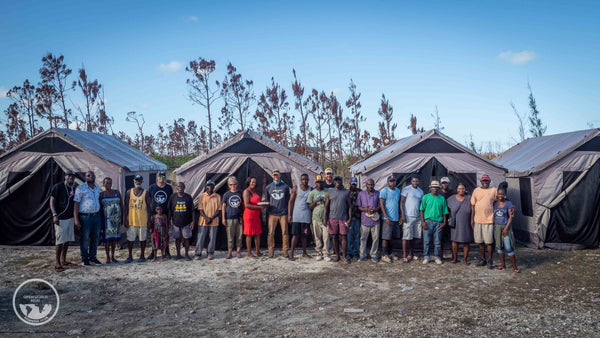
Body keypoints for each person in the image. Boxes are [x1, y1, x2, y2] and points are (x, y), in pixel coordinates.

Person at [50, 170, 78, 271]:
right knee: (60, 241)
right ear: (65, 177)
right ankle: (57, 263)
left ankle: (63, 260)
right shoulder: (58, 187)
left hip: (70, 217)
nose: (71, 178)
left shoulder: (74, 188)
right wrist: (54, 215)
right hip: (60, 218)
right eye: (69, 176)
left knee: (66, 240)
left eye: (72, 177)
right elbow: (52, 200)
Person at [73, 171, 102, 266]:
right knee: (85, 238)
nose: (91, 176)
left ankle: (93, 257)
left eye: (92, 175)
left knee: (95, 238)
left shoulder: (97, 188)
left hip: (96, 216)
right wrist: (76, 219)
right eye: (88, 175)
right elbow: (76, 204)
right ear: (85, 177)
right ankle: (85, 258)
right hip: (85, 217)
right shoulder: (80, 188)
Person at [471, 174, 497, 269]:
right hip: (477, 220)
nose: (485, 182)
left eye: (487, 181)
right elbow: (473, 205)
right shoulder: (476, 190)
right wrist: (472, 220)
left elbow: (499, 202)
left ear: (489, 182)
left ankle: (490, 260)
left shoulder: (494, 190)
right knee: (480, 242)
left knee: (489, 242)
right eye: (484, 181)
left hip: (489, 220)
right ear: (481, 182)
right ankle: (483, 259)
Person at [123, 175, 152, 263]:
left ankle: (142, 255)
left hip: (142, 220)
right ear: (134, 181)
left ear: (142, 181)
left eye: (139, 180)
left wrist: (149, 220)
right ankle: (130, 255)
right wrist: (125, 219)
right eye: (136, 180)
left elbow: (149, 208)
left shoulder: (145, 193)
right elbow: (126, 207)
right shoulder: (129, 192)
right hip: (132, 220)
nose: (138, 182)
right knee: (130, 239)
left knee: (142, 239)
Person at [420, 180, 449, 265]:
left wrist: (444, 222)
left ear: (439, 189)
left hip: (438, 223)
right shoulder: (425, 197)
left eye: (436, 187)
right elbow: (421, 210)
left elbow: (444, 211)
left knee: (437, 241)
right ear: (430, 188)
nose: (435, 189)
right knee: (426, 241)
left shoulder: (442, 198)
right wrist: (423, 222)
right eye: (433, 187)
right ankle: (426, 257)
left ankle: (437, 257)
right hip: (428, 221)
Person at [324, 176, 351, 263]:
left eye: (339, 180)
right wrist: (325, 218)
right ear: (333, 182)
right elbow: (326, 206)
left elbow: (350, 206)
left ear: (342, 181)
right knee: (334, 236)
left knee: (344, 236)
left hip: (343, 218)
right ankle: (337, 255)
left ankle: (344, 256)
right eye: (336, 181)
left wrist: (349, 218)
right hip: (332, 218)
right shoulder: (330, 192)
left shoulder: (346, 192)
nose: (337, 182)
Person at [148, 171, 173, 259]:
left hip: (165, 213)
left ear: (165, 178)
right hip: (155, 214)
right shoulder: (152, 187)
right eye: (159, 176)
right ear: (157, 177)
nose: (161, 178)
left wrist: (169, 217)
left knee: (165, 233)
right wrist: (150, 215)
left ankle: (166, 251)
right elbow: (150, 200)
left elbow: (170, 201)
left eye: (163, 177)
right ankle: (153, 252)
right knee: (154, 233)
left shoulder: (169, 188)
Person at [493, 188, 520, 272]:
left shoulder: (508, 203)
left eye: (502, 194)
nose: (500, 196)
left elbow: (511, 216)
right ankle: (503, 265)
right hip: (496, 227)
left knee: (508, 247)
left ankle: (515, 267)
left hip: (505, 227)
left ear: (505, 195)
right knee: (499, 247)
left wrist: (506, 228)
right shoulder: (494, 203)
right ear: (496, 195)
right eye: (499, 194)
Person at [167, 182, 195, 260]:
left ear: (184, 187)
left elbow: (192, 210)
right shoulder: (172, 197)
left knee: (186, 238)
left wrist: (193, 221)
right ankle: (178, 254)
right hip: (175, 222)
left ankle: (186, 254)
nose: (180, 188)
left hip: (186, 222)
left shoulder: (188, 197)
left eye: (181, 186)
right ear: (176, 188)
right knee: (177, 239)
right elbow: (169, 210)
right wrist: (169, 221)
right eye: (178, 186)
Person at [266, 169, 290, 258]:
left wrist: (288, 212)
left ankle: (285, 250)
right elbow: (267, 199)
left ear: (280, 176)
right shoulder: (268, 187)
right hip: (272, 213)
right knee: (271, 233)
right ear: (272, 176)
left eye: (277, 175)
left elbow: (288, 199)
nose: (276, 176)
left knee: (285, 232)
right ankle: (271, 251)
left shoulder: (285, 187)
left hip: (283, 213)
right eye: (274, 175)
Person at [447, 183, 473, 264]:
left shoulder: (469, 198)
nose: (461, 190)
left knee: (466, 241)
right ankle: (455, 258)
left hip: (467, 222)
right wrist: (449, 217)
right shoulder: (451, 199)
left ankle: (465, 259)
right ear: (457, 190)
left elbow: (474, 208)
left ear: (465, 189)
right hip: (455, 223)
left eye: (463, 188)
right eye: (459, 188)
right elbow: (445, 208)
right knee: (454, 241)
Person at [288, 173, 312, 261]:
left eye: (306, 179)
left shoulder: (310, 189)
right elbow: (291, 201)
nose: (305, 181)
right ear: (300, 180)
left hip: (306, 215)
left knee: (304, 235)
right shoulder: (296, 188)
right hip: (297, 215)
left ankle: (304, 252)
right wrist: (289, 214)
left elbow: (311, 203)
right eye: (303, 179)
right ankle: (291, 253)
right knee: (295, 235)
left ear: (308, 180)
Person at [99, 177, 123, 264]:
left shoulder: (117, 193)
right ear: (103, 184)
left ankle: (113, 256)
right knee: (107, 240)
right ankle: (108, 257)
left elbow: (121, 206)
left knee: (114, 239)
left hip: (116, 220)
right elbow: (99, 208)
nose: (108, 185)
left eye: (110, 183)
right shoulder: (102, 194)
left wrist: (122, 218)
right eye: (106, 183)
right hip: (106, 221)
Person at [400, 176, 424, 263]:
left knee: (414, 236)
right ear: (411, 181)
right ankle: (404, 255)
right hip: (408, 216)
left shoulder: (421, 191)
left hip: (417, 216)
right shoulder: (406, 189)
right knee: (406, 237)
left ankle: (411, 253)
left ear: (419, 182)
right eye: (414, 181)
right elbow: (402, 202)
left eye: (417, 181)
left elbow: (421, 204)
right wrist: (402, 215)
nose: (415, 183)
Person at [356, 179, 380, 262]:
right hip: (365, 219)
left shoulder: (377, 193)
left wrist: (375, 209)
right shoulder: (361, 194)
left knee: (375, 238)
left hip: (375, 219)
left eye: (372, 184)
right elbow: (358, 206)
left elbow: (380, 206)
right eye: (369, 184)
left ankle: (373, 254)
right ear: (366, 185)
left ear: (374, 185)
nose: (370, 186)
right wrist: (365, 209)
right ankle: (362, 255)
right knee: (363, 238)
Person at [195, 180, 221, 260]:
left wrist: (211, 218)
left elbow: (219, 210)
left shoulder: (218, 196)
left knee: (212, 238)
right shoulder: (202, 196)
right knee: (201, 237)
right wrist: (207, 218)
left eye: (211, 185)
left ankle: (210, 253)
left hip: (214, 221)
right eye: (208, 185)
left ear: (214, 187)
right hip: (203, 221)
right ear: (206, 187)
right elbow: (200, 209)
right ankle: (198, 253)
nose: (210, 187)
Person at [379, 175, 401, 263]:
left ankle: (390, 252)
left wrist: (399, 216)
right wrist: (386, 217)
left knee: (393, 237)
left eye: (394, 181)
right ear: (388, 182)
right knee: (385, 237)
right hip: (387, 218)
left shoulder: (398, 191)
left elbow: (398, 204)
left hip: (395, 217)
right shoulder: (384, 191)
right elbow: (381, 204)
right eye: (391, 181)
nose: (393, 182)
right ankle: (384, 255)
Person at [307, 175, 329, 261]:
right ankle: (319, 252)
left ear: (323, 182)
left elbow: (329, 204)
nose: (319, 184)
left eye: (321, 182)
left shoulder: (327, 192)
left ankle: (326, 253)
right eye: (318, 182)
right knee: (317, 236)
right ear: (315, 183)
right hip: (315, 217)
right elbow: (309, 206)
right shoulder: (312, 193)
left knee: (326, 236)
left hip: (325, 218)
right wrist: (316, 201)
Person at [243, 177, 266, 257]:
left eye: (255, 182)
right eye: (252, 182)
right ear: (248, 182)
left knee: (257, 233)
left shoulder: (254, 191)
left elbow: (256, 202)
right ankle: (249, 253)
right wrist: (259, 207)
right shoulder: (246, 192)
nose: (254, 183)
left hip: (256, 216)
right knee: (249, 234)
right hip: (249, 216)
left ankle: (257, 251)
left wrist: (263, 204)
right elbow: (247, 205)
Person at [222, 177, 244, 259]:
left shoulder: (240, 193)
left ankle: (238, 251)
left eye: (234, 184)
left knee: (239, 235)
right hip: (229, 218)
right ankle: (230, 252)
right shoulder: (226, 194)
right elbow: (223, 207)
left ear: (237, 185)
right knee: (230, 236)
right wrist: (223, 218)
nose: (233, 186)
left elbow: (243, 205)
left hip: (239, 218)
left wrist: (242, 216)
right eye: (231, 184)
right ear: (229, 185)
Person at [347, 177, 362, 260]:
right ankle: (348, 252)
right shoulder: (346, 192)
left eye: (355, 184)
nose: (354, 185)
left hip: (357, 217)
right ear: (350, 184)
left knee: (356, 236)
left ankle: (355, 252)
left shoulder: (360, 192)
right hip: (349, 218)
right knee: (349, 236)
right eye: (352, 184)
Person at [439, 177, 453, 260]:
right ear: (441, 184)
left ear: (449, 183)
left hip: (450, 217)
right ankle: (440, 255)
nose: (444, 184)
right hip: (440, 218)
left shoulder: (452, 193)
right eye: (443, 183)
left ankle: (453, 255)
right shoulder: (438, 193)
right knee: (441, 238)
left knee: (452, 237)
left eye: (446, 183)